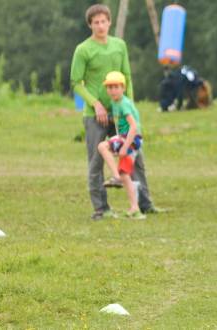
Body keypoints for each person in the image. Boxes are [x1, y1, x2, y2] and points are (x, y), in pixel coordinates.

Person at [70, 4, 162, 220]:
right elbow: (76, 83)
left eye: (103, 21)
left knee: (135, 157)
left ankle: (144, 203)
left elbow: (127, 77)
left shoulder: (119, 45)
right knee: (96, 160)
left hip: (120, 113)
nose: (100, 26)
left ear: (109, 22)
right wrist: (96, 104)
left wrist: (128, 105)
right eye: (96, 22)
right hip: (96, 115)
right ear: (90, 25)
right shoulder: (83, 49)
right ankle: (101, 208)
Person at [97, 72, 147, 219]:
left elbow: (133, 126)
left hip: (131, 138)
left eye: (116, 87)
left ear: (123, 88)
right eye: (109, 87)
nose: (112, 90)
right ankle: (134, 208)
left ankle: (116, 177)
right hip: (125, 137)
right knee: (126, 174)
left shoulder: (124, 104)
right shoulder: (115, 102)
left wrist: (125, 146)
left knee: (102, 146)